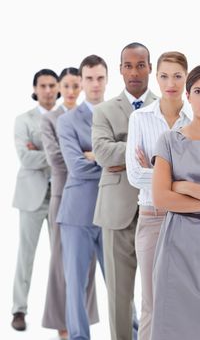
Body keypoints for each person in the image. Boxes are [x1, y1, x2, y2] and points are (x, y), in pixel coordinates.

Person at [150, 63, 200, 340]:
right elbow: (161, 197)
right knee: (173, 324)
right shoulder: (169, 141)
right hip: (178, 242)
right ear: (188, 96)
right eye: (198, 91)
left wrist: (184, 187)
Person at [92, 42, 157, 340]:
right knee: (119, 296)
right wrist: (143, 150)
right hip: (116, 213)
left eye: (140, 65)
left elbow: (172, 156)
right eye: (128, 65)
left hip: (158, 210)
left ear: (150, 68)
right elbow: (102, 153)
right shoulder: (104, 110)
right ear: (120, 69)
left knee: (157, 294)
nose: (134, 71)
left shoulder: (165, 107)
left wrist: (123, 153)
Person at [126, 51, 192, 339]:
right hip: (152, 218)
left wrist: (156, 172)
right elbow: (134, 175)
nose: (171, 82)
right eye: (164, 75)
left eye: (177, 76)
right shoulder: (140, 118)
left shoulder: (194, 122)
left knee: (182, 300)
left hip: (186, 220)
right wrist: (177, 180)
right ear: (156, 76)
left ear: (186, 78)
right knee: (151, 302)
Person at [40, 67, 99, 340]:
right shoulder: (53, 119)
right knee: (64, 269)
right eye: (68, 86)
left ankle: (80, 322)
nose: (73, 91)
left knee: (86, 271)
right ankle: (64, 326)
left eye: (77, 85)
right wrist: (83, 155)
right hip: (64, 197)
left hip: (95, 198)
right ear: (61, 88)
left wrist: (90, 154)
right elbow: (59, 160)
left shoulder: (92, 116)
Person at [56, 55, 107, 340]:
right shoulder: (67, 121)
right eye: (89, 78)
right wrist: (110, 160)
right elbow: (76, 166)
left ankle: (134, 335)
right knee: (75, 284)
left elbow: (130, 163)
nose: (95, 84)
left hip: (112, 212)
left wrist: (94, 155)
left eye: (100, 78)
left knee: (119, 285)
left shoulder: (120, 115)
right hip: (77, 214)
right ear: (81, 81)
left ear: (107, 79)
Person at [11, 69, 60, 331]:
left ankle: (61, 310)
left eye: (53, 85)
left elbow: (72, 155)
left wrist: (41, 150)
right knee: (25, 255)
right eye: (43, 85)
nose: (48, 90)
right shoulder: (23, 120)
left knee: (61, 257)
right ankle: (19, 309)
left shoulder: (67, 118)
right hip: (31, 196)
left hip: (60, 196)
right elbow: (25, 158)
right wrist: (56, 152)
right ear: (35, 88)